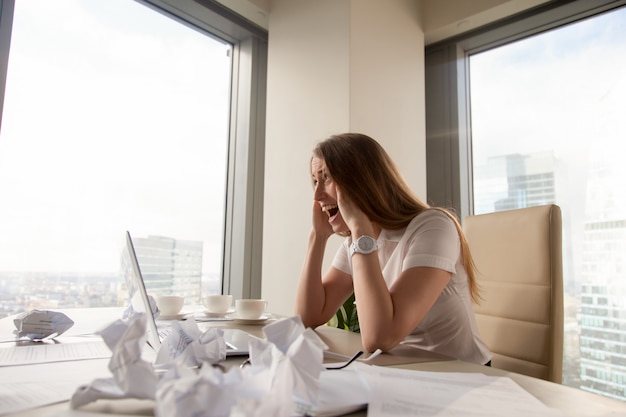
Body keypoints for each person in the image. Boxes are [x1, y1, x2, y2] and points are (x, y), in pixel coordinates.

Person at [295, 133, 492, 365]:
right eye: (314, 181)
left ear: (360, 180)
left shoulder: (433, 227)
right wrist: (317, 237)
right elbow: (307, 317)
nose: (317, 195)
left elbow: (380, 337)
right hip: (400, 371)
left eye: (326, 178)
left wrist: (360, 230)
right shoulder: (357, 242)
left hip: (460, 375)